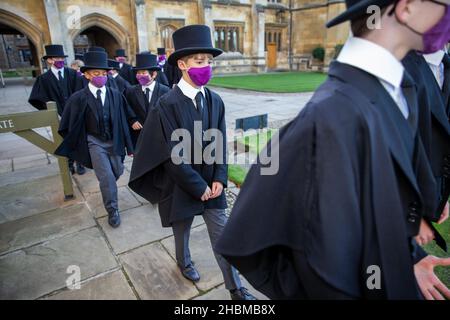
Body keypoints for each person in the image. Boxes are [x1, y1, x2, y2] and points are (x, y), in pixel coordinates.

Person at [215, 0, 450, 300]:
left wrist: (406, 258)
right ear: (407, 7)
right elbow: (298, 258)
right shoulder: (330, 120)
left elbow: (376, 208)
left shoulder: (398, 92)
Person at [128, 25, 256, 300]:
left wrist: (219, 178)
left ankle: (236, 288)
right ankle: (184, 263)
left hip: (213, 184)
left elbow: (220, 142)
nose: (206, 67)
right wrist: (198, 186)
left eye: (209, 62)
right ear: (183, 65)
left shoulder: (215, 100)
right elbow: (172, 154)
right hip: (181, 185)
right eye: (200, 62)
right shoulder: (166, 105)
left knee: (223, 237)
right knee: (182, 231)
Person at [55, 51, 137, 228]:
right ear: (86, 74)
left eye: (103, 73)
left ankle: (109, 188)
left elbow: (125, 116)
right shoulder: (78, 98)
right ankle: (112, 209)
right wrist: (79, 141)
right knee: (106, 177)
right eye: (95, 73)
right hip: (94, 142)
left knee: (117, 170)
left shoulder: (115, 94)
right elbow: (66, 125)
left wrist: (131, 138)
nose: (100, 77)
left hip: (114, 141)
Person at [402, 48, 450, 248]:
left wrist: (440, 195)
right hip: (402, 202)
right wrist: (411, 212)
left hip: (434, 189)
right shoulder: (399, 66)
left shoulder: (445, 64)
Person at [28, 44, 85, 175]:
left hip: (75, 114)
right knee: (64, 140)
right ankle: (69, 164)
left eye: (61, 58)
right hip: (58, 116)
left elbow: (81, 93)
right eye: (56, 58)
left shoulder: (73, 74)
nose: (60, 60)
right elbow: (36, 98)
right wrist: (50, 112)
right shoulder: (44, 79)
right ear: (49, 60)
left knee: (79, 137)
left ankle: (80, 162)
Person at [124, 53, 170, 147]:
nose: (140, 75)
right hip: (139, 136)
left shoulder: (165, 91)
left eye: (143, 73)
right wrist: (132, 121)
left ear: (154, 74)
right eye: (138, 73)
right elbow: (125, 108)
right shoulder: (130, 91)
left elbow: (169, 113)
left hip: (160, 137)